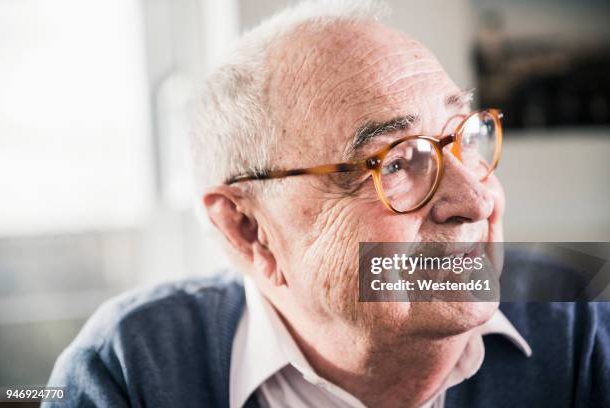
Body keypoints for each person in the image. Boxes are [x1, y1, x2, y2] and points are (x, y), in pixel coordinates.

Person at [44, 1, 610, 407]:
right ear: (248, 230)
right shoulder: (126, 369)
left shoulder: (583, 327)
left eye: (464, 138)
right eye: (395, 162)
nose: (474, 199)